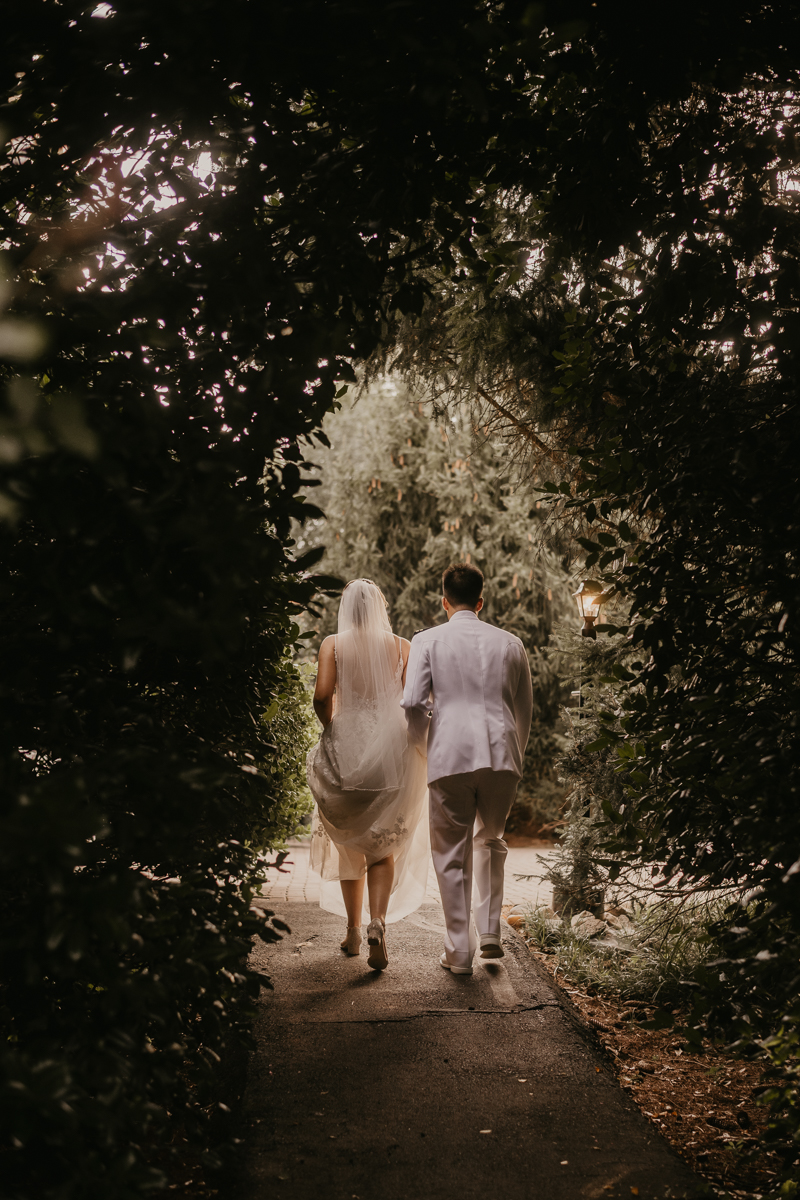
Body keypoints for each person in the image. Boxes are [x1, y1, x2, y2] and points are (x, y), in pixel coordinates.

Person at [402, 562, 533, 975]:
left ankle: (459, 951)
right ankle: (490, 931)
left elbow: (411, 703)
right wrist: (515, 754)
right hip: (502, 753)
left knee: (450, 853)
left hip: (450, 755)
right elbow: (523, 710)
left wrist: (424, 743)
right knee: (491, 839)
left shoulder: (427, 640)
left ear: (444, 602)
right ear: (481, 601)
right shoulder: (511, 643)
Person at [307, 579, 429, 971]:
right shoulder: (402, 647)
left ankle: (353, 932)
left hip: (347, 749)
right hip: (391, 754)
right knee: (382, 845)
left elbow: (322, 697)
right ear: (380, 607)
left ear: (346, 608)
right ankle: (378, 922)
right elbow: (414, 705)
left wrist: (333, 730)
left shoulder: (333, 645)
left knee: (349, 843)